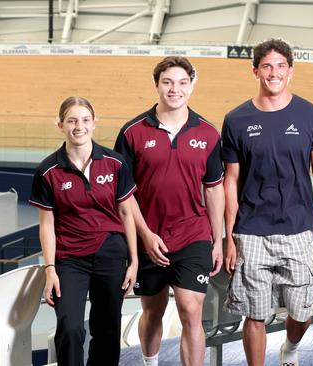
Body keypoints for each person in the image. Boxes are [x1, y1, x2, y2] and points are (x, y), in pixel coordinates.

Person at [221, 38, 313, 366]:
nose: (274, 73)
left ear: (291, 71)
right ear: (255, 70)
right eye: (267, 66)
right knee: (254, 316)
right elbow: (231, 181)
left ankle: (291, 346)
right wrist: (230, 236)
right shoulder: (236, 120)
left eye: (281, 66)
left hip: (298, 229)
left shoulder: (312, 115)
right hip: (252, 231)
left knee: (302, 312)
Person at [114, 56, 224, 366]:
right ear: (156, 85)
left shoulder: (208, 133)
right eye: (167, 82)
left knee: (191, 308)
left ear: (192, 86)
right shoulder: (132, 132)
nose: (175, 89)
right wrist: (145, 236)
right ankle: (151, 362)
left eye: (182, 82)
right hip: (150, 236)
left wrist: (218, 240)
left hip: (193, 234)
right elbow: (124, 195)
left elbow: (214, 188)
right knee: (153, 310)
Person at [29, 96, 138, 366]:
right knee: (70, 328)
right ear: (60, 125)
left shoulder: (115, 163)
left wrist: (134, 260)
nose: (80, 126)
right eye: (72, 120)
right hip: (69, 261)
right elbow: (47, 224)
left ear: (94, 123)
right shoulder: (48, 171)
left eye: (86, 120)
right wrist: (50, 268)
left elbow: (127, 213)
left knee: (107, 329)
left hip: (110, 254)